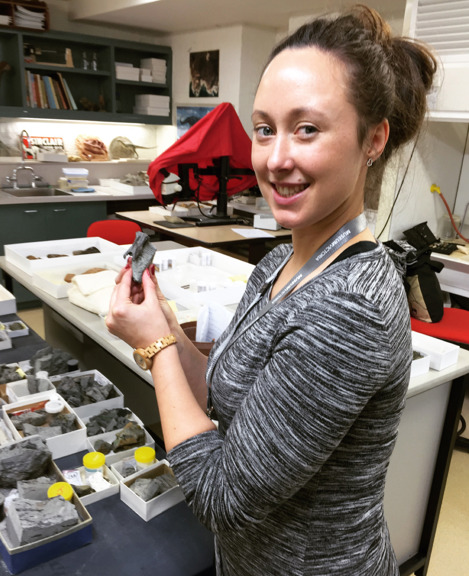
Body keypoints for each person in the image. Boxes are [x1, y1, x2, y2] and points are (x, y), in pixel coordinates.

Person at [106, 5, 437, 575]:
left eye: (307, 128)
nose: (275, 158)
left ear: (373, 139)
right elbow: (225, 393)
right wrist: (163, 329)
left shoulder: (350, 305)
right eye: (265, 128)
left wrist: (156, 351)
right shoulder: (280, 260)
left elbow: (222, 500)